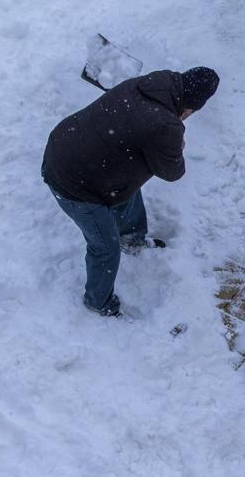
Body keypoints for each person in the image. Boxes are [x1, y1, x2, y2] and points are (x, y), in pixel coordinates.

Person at [41, 67, 219, 317]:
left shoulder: (149, 84)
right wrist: (178, 142)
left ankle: (132, 240)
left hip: (65, 145)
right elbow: (172, 172)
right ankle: (98, 301)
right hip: (74, 184)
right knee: (105, 247)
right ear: (190, 108)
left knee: (127, 192)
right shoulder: (166, 125)